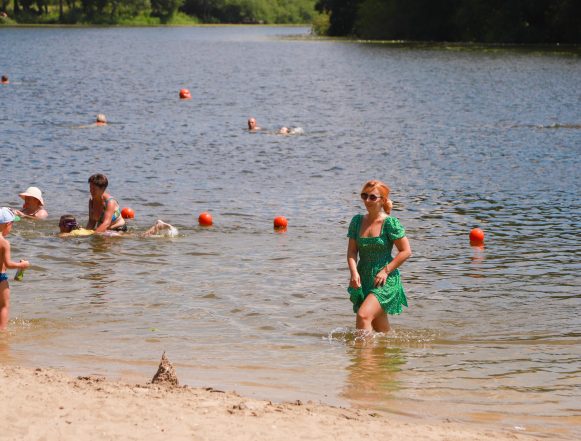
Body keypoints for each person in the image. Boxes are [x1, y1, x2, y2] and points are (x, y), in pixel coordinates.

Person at [346, 180, 412, 333]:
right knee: (380, 328)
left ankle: (362, 356)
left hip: (385, 278)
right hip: (364, 276)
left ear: (382, 200)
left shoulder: (390, 223)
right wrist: (354, 273)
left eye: (372, 197)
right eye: (364, 196)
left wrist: (385, 271)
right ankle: (389, 354)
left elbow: (406, 251)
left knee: (363, 316)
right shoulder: (356, 221)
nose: (367, 200)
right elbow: (352, 252)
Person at [0, 207, 30, 330]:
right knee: (4, 305)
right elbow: (8, 264)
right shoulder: (4, 243)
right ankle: (2, 332)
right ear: (7, 224)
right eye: (12, 224)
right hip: (0, 278)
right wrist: (22, 265)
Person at [60, 215, 176, 238]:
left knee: (141, 237)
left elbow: (61, 236)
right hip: (108, 233)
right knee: (138, 236)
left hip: (108, 235)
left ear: (65, 226)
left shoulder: (72, 233)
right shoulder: (80, 229)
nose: (59, 227)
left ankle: (158, 226)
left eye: (59, 224)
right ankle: (157, 226)